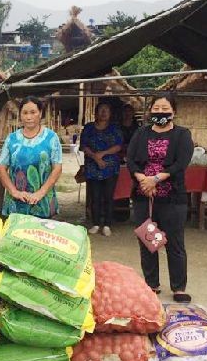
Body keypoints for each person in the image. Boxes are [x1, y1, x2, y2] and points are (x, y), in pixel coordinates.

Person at [126, 92, 194, 302]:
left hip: (172, 197)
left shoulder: (182, 135)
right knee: (149, 241)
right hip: (144, 196)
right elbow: (131, 159)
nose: (160, 112)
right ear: (150, 111)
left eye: (165, 109)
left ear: (174, 111)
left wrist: (155, 179)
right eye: (156, 109)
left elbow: (181, 163)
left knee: (174, 242)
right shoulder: (141, 133)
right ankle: (152, 284)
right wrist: (143, 181)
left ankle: (178, 287)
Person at [0, 96, 63, 218]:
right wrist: (14, 192)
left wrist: (40, 193)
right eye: (25, 113)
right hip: (16, 202)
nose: (29, 117)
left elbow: (57, 168)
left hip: (43, 201)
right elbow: (1, 167)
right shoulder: (11, 139)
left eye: (33, 112)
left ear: (40, 113)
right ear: (20, 115)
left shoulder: (51, 138)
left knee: (41, 230)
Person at [80, 101, 123, 236]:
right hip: (93, 167)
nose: (104, 113)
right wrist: (95, 157)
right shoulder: (89, 128)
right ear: (96, 112)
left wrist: (103, 154)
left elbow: (119, 146)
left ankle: (107, 225)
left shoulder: (114, 128)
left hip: (110, 168)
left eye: (106, 110)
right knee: (95, 196)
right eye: (101, 110)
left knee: (108, 196)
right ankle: (96, 223)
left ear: (110, 113)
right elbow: (84, 146)